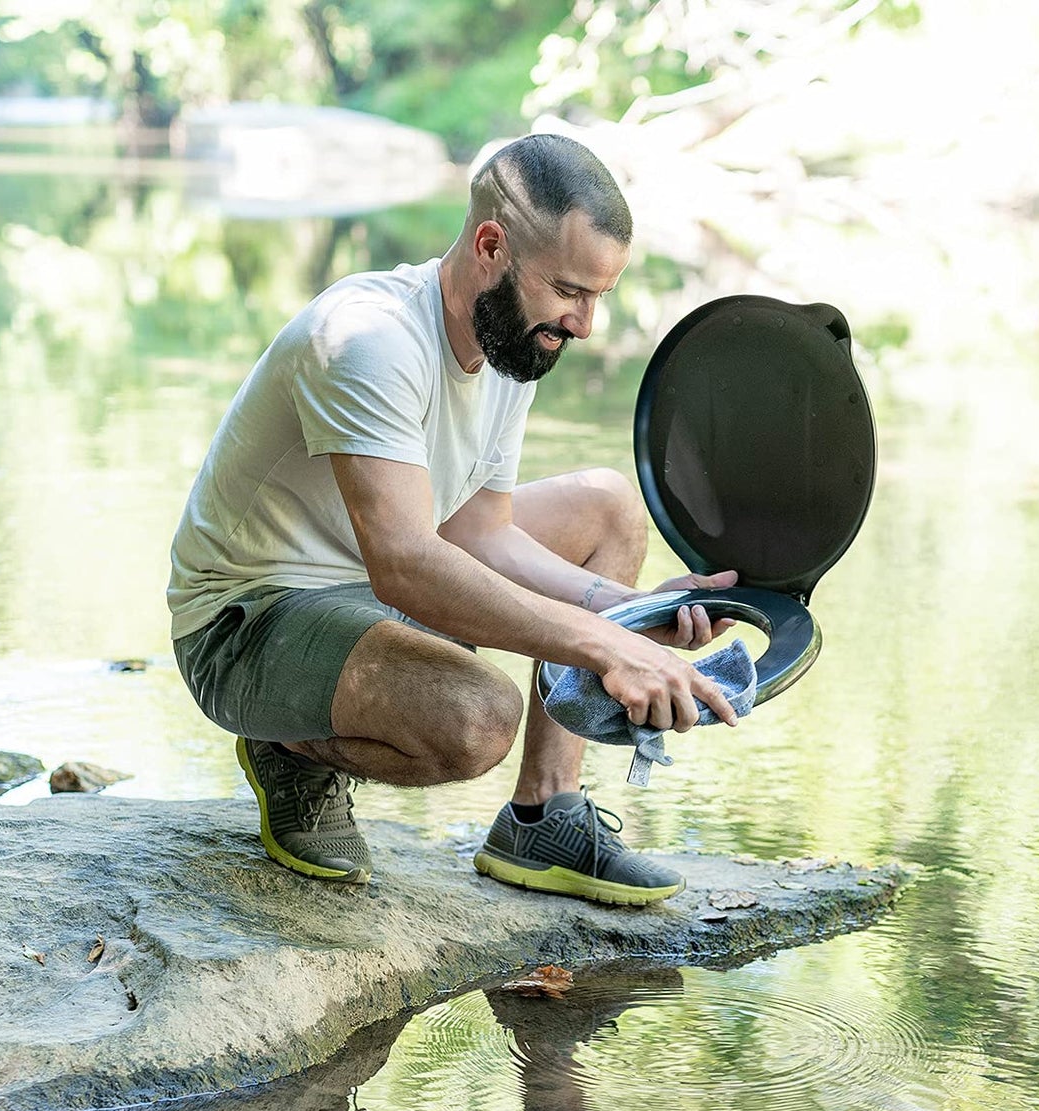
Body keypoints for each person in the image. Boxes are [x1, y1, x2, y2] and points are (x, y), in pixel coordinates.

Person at [167, 133, 738, 906]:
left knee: (606, 505)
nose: (585, 324)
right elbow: (405, 561)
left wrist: (626, 614)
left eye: (599, 296)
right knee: (477, 718)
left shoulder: (509, 341)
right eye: (571, 290)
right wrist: (604, 648)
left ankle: (544, 817)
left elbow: (478, 530)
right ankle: (289, 746)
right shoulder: (368, 338)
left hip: (367, 592)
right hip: (248, 622)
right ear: (491, 245)